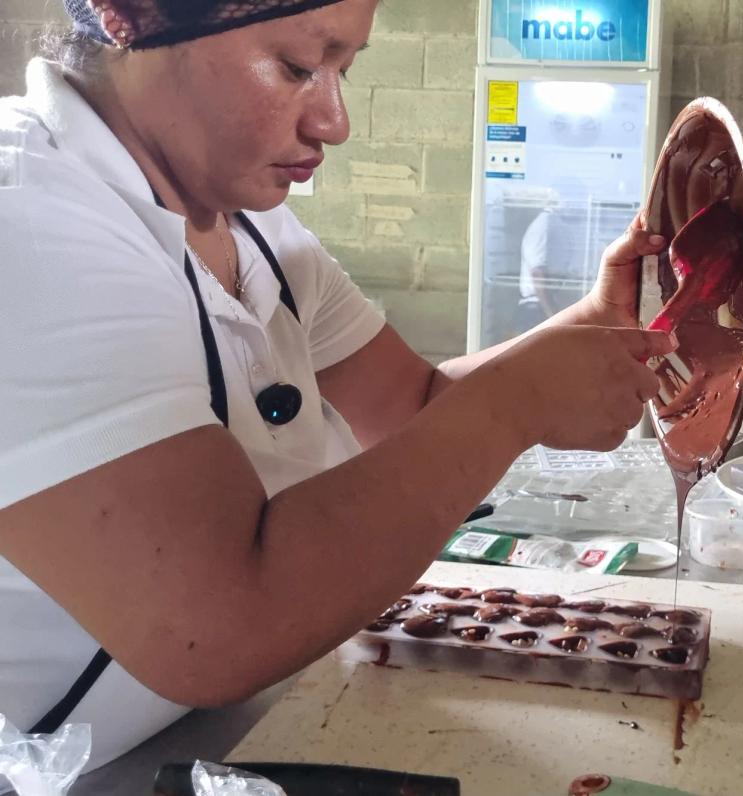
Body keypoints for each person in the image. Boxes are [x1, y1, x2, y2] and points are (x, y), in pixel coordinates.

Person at [0, 0, 674, 770]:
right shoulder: (25, 218)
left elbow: (410, 414)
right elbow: (216, 630)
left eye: (343, 72)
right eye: (295, 67)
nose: (334, 121)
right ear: (138, 18)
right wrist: (516, 402)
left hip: (209, 738)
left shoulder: (249, 224)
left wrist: (593, 325)